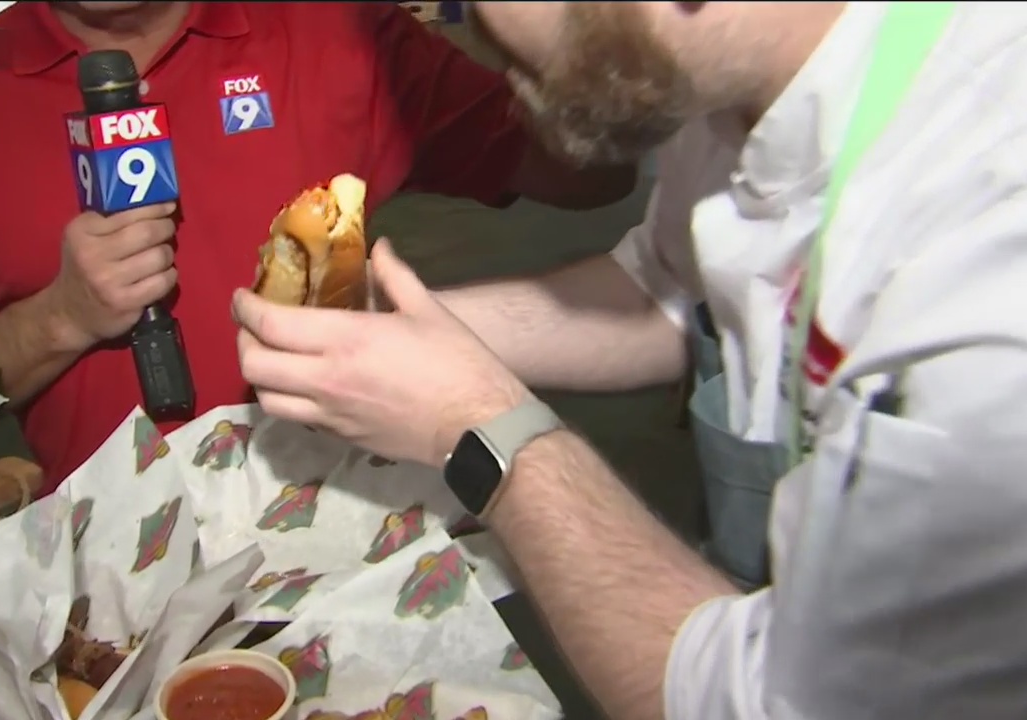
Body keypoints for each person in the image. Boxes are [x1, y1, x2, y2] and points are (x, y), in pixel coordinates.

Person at [233, 2, 1027, 719]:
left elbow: (766, 702)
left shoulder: (988, 235)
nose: (471, 22)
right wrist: (415, 339)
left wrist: (477, 426)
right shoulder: (718, 83)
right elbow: (669, 290)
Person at [0, 1, 635, 492]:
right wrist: (54, 320)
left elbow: (588, 175)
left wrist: (574, 39)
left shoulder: (337, 28)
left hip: (355, 536)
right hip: (108, 582)